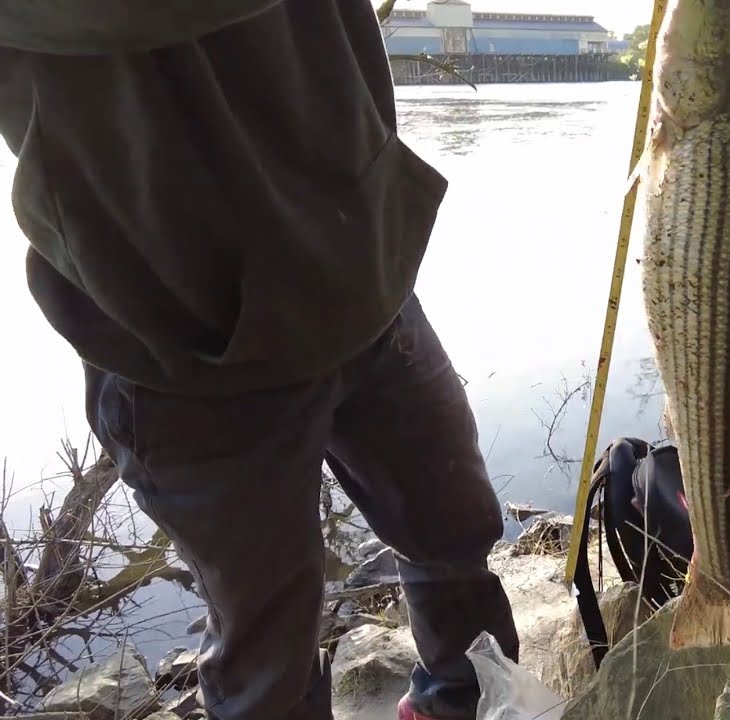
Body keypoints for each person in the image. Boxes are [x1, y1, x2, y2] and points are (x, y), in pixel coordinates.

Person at [0, 2, 519, 719]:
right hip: (181, 344)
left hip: (362, 277)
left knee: (455, 538)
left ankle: (464, 707)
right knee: (266, 660)